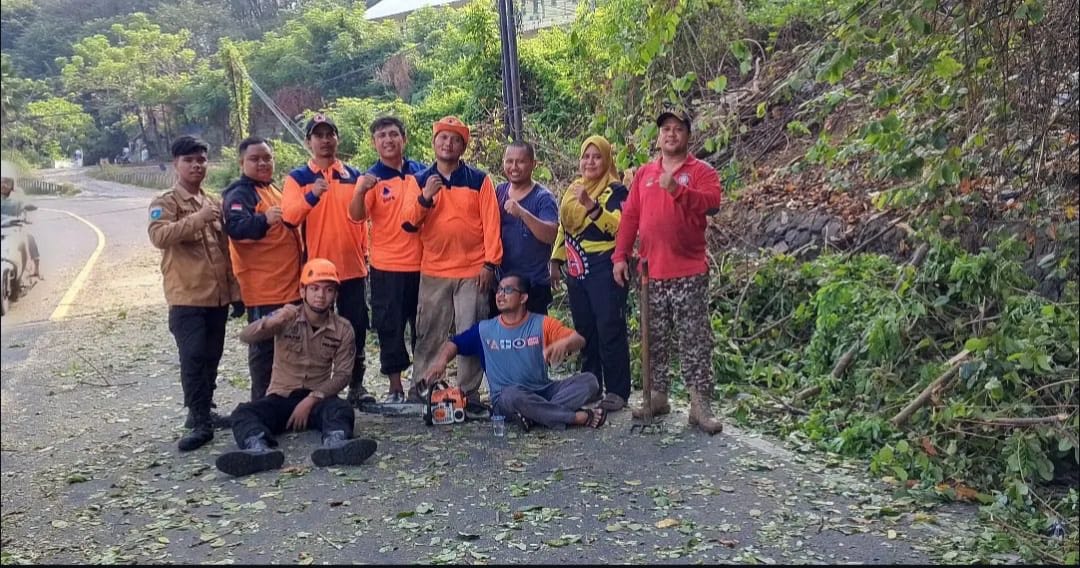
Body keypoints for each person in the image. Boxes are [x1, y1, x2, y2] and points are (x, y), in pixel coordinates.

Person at [613, 108, 725, 435]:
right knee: (653, 338)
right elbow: (630, 218)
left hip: (689, 269)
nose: (671, 134)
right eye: (665, 129)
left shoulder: (701, 171)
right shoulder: (645, 174)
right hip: (650, 270)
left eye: (677, 129)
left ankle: (699, 403)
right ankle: (656, 395)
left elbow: (713, 203)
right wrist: (620, 256)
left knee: (694, 339)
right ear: (659, 137)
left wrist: (677, 189)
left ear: (688, 135)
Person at [215, 259, 379, 477]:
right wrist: (273, 321)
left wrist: (312, 399)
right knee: (243, 413)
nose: (321, 295)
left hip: (317, 399)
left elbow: (342, 375)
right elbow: (246, 336)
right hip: (280, 397)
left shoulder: (343, 328)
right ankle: (257, 449)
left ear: (335, 295)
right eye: (314, 288)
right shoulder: (286, 316)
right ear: (302, 291)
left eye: (328, 290)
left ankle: (335, 444)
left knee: (342, 410)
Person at [148, 136, 242, 452]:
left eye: (201, 160)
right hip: (186, 297)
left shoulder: (213, 201)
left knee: (212, 354)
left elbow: (225, 250)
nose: (196, 165)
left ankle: (206, 408)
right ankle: (197, 417)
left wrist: (235, 291)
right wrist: (196, 219)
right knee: (193, 356)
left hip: (216, 296)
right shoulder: (165, 203)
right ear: (176, 164)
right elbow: (159, 236)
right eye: (189, 160)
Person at [403, 116, 503, 413]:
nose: (448, 143)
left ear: (463, 146)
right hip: (434, 269)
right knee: (429, 332)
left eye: (455, 139)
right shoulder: (419, 180)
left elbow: (491, 222)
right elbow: (408, 223)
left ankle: (468, 394)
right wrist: (425, 197)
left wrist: (490, 263)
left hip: (473, 270)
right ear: (434, 143)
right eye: (442, 138)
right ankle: (423, 387)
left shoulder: (479, 180)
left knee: (470, 331)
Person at [422, 274, 608, 430]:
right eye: (499, 290)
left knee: (589, 381)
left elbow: (580, 340)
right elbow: (454, 343)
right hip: (507, 399)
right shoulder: (485, 329)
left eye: (508, 290)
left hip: (543, 390)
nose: (500, 295)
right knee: (512, 395)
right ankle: (575, 418)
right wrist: (441, 362)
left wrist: (564, 344)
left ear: (523, 298)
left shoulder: (541, 323)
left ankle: (535, 416)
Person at [282, 114, 375, 407]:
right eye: (318, 135)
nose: (324, 140)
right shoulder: (298, 178)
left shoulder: (353, 174)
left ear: (337, 138)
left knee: (356, 328)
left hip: (352, 268)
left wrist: (366, 253)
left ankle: (356, 386)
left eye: (329, 134)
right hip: (316, 273)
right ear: (309, 141)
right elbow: (289, 217)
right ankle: (313, 388)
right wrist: (312, 195)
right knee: (315, 330)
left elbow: (362, 219)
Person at [549, 135, 631, 412]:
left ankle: (618, 390)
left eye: (597, 157)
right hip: (576, 268)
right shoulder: (574, 188)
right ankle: (592, 384)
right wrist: (555, 259)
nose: (590, 162)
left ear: (607, 160)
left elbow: (621, 228)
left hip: (605, 267)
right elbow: (564, 226)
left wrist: (592, 207)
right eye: (586, 156)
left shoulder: (616, 191)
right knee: (585, 329)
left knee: (610, 326)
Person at [348, 117, 425, 403]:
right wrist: (360, 190)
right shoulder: (371, 178)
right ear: (374, 142)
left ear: (404, 138)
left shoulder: (420, 172)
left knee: (423, 328)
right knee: (389, 326)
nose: (388, 140)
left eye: (394, 134)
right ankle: (395, 387)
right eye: (382, 135)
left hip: (422, 265)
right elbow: (356, 215)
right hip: (386, 267)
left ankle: (423, 383)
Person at [222, 137, 304, 401]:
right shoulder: (241, 193)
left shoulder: (273, 189)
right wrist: (263, 219)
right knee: (264, 351)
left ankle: (287, 401)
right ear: (241, 162)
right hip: (264, 290)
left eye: (267, 158)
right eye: (255, 159)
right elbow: (235, 227)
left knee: (291, 349)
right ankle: (261, 405)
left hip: (290, 286)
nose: (263, 163)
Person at [489, 141, 558, 315]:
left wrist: (522, 213)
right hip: (502, 284)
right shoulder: (499, 191)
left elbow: (550, 235)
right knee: (503, 338)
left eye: (520, 162)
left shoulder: (543, 197)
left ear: (533, 164)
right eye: (509, 161)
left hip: (533, 285)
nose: (514, 167)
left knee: (533, 339)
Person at [1, 176, 41, 279]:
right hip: (2, 227)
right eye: (1, 182)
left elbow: (25, 204)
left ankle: (35, 269)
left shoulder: (17, 197)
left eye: (7, 183)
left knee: (29, 238)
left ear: (12, 185)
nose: (4, 185)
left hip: (14, 227)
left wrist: (26, 213)